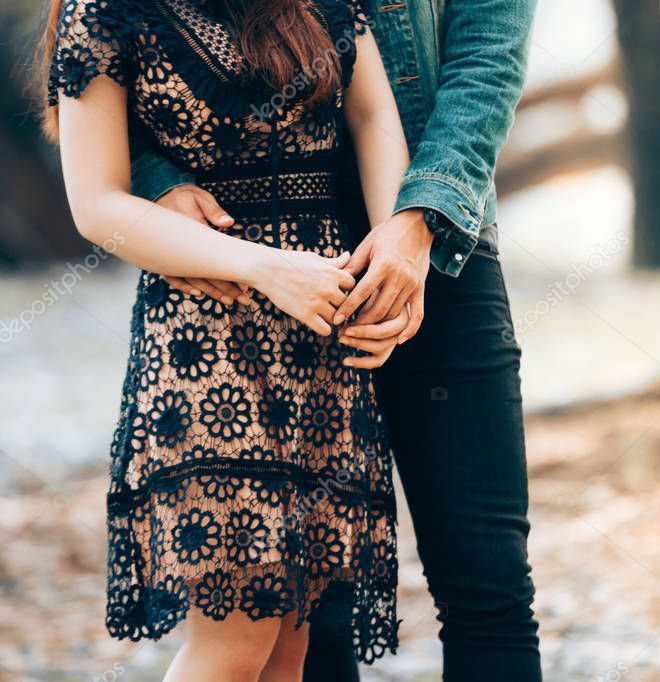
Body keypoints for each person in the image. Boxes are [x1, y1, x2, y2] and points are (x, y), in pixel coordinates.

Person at [132, 1, 543, 680]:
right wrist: (158, 182)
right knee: (306, 612)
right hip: (259, 258)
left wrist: (417, 221)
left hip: (435, 246)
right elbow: (113, 44)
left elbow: (489, 54)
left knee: (488, 586)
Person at [42, 0, 409, 679]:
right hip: (208, 343)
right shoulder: (104, 13)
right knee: (236, 640)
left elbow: (372, 113)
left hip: (322, 339)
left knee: (288, 640)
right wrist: (260, 266)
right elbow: (96, 204)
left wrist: (393, 250)